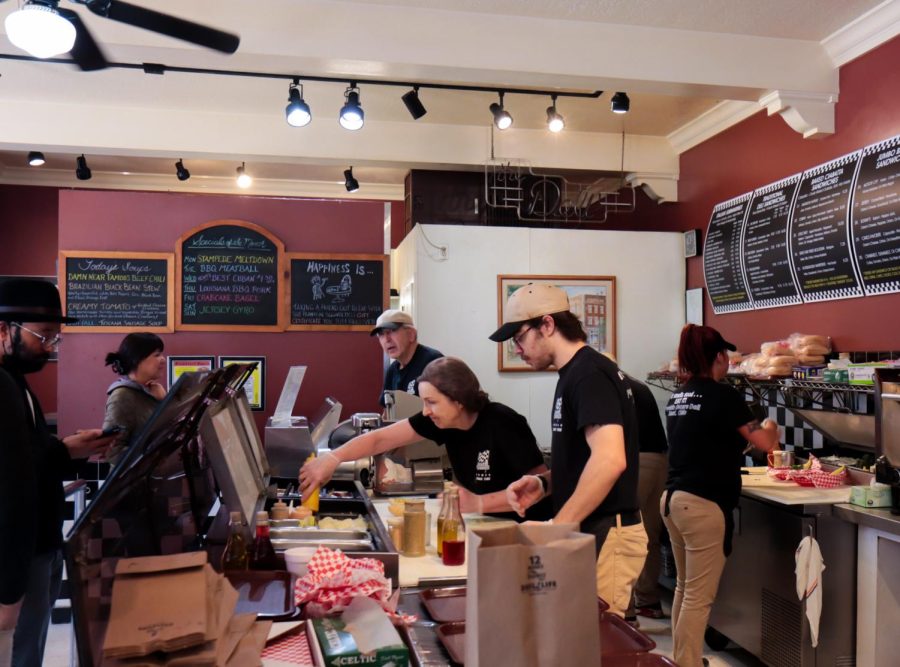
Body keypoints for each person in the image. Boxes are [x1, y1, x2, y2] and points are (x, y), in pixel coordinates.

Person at [494, 283, 647, 618]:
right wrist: (545, 484)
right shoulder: (573, 374)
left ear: (547, 325)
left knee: (598, 648)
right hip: (590, 530)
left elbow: (609, 460)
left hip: (608, 532)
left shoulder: (588, 374)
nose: (517, 348)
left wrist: (556, 528)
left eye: (519, 337)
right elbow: (587, 459)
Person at [0, 279, 115, 667]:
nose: (49, 347)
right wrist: (8, 589)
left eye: (55, 337)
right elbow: (10, 487)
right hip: (20, 557)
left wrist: (67, 450)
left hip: (40, 547)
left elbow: (27, 456)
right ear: (3, 330)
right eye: (43, 335)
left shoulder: (17, 384)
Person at [300, 356, 552, 521]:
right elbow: (380, 439)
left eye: (431, 402)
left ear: (458, 399)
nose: (425, 410)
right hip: (487, 524)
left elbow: (540, 487)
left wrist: (477, 502)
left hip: (529, 531)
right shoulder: (441, 421)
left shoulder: (503, 422)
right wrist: (333, 458)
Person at [661, 324, 779, 667]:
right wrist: (771, 425)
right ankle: (687, 663)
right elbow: (764, 442)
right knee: (698, 597)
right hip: (702, 504)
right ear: (718, 357)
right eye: (724, 354)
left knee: (685, 589)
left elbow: (706, 439)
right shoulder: (724, 396)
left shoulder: (678, 396)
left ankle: (684, 659)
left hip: (673, 500)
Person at [623, 373, 669, 625]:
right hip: (659, 460)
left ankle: (625, 610)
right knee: (649, 535)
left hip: (635, 462)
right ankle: (648, 600)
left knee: (624, 533)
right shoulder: (639, 386)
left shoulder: (611, 386)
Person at [103, 333, 167, 464]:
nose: (163, 359)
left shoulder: (152, 392)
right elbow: (112, 451)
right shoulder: (122, 396)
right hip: (134, 482)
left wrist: (163, 401)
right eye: (157, 355)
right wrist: (154, 458)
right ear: (137, 359)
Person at [371, 309, 442, 407]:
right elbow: (387, 411)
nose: (386, 339)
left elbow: (440, 409)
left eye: (391, 331)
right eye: (381, 334)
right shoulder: (392, 370)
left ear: (411, 334)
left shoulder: (433, 362)